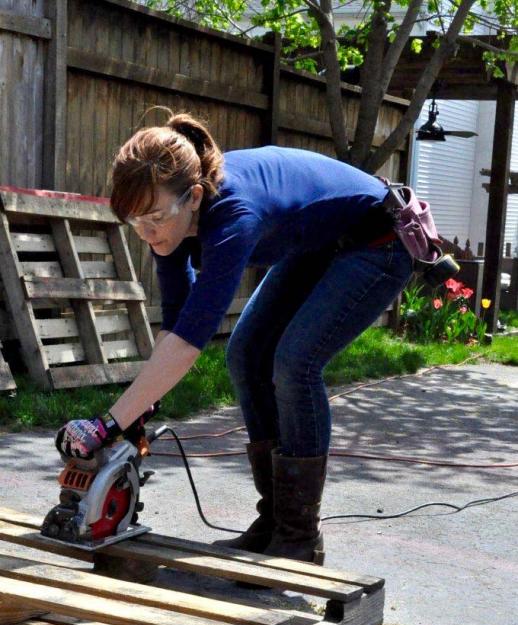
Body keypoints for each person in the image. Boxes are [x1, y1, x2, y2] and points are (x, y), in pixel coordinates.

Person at [55, 109, 414, 564]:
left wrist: (109, 423)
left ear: (195, 196)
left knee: (294, 363)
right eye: (134, 222)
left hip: (381, 240)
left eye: (153, 218)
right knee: (245, 354)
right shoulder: (173, 224)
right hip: (321, 241)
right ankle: (275, 520)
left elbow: (191, 339)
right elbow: (176, 320)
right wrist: (138, 408)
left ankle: (299, 536)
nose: (146, 233)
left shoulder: (232, 217)